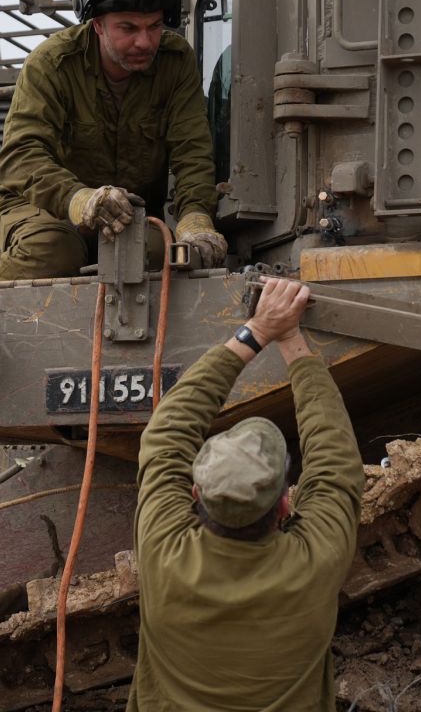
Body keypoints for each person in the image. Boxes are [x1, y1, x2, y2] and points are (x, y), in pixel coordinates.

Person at [128, 277, 364, 711]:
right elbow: (334, 461)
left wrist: (256, 330)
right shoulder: (314, 563)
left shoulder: (165, 554)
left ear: (196, 494)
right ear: (286, 505)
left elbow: (167, 434)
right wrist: (290, 337)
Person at [0, 0, 227, 282]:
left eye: (154, 26)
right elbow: (21, 157)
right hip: (45, 210)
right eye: (128, 28)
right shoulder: (53, 64)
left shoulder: (175, 61)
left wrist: (195, 216)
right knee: (54, 253)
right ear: (97, 25)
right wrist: (78, 199)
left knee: (165, 255)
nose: (144, 41)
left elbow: (192, 151)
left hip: (126, 217)